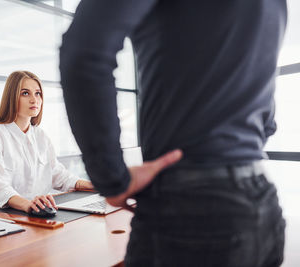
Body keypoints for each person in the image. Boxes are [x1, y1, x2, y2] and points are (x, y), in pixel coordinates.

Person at [60, 1, 287, 266]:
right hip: (261, 204)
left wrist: (111, 179)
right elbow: (266, 116)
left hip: (192, 211)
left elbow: (85, 53)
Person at [0, 70, 93, 213]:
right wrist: (29, 204)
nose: (34, 99)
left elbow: (57, 174)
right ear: (12, 97)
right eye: (25, 93)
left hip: (38, 210)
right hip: (7, 214)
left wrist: (91, 185)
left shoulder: (40, 135)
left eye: (38, 93)